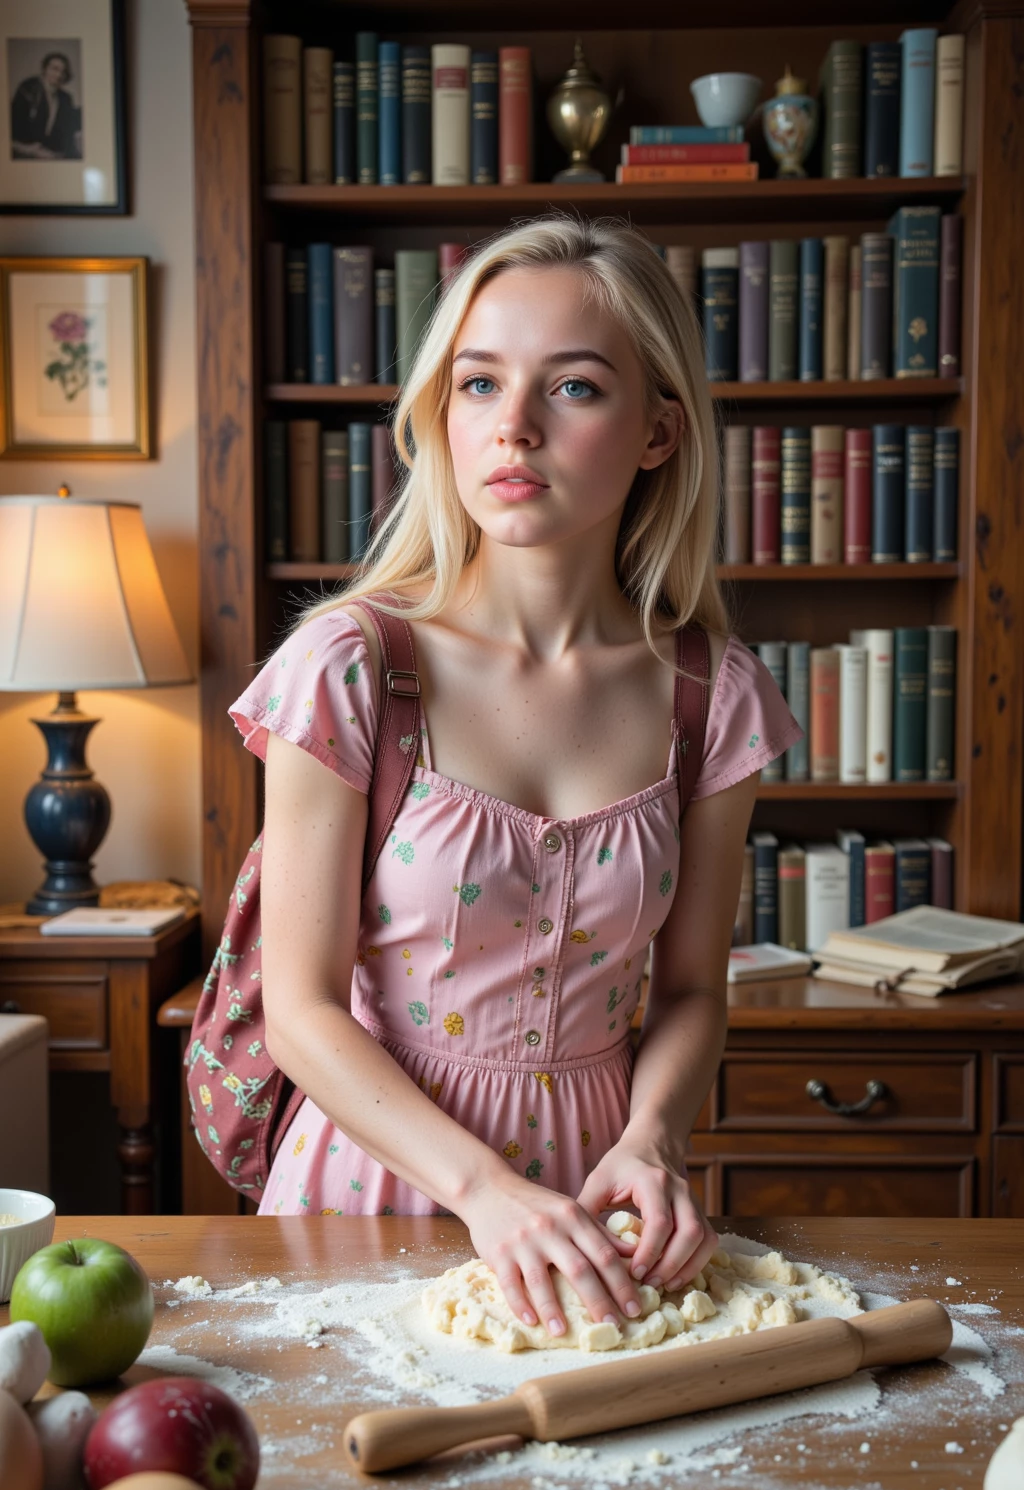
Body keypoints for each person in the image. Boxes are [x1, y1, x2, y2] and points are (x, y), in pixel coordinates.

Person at [228, 214, 804, 1339]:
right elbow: (299, 1009)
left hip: (596, 1198)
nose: (514, 427)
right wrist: (485, 1192)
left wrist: (654, 1141)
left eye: (574, 387)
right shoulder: (350, 668)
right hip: (378, 1182)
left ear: (658, 432)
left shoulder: (713, 696)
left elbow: (692, 992)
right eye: (479, 383)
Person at [10, 50, 81, 160]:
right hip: (25, 152)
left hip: (53, 154)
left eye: (63, 72)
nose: (59, 75)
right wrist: (29, 150)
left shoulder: (65, 98)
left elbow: (66, 133)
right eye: (55, 69)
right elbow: (11, 129)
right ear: (45, 69)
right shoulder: (28, 89)